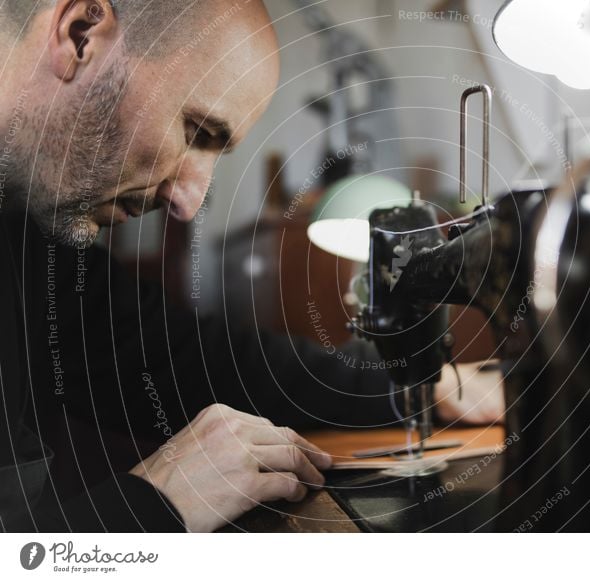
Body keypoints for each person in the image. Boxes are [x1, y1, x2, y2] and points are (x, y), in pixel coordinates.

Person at [0, 1, 504, 532]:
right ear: (80, 35)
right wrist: (155, 503)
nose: (189, 201)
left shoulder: (30, 242)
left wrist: (409, 390)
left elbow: (177, 357)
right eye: (196, 131)